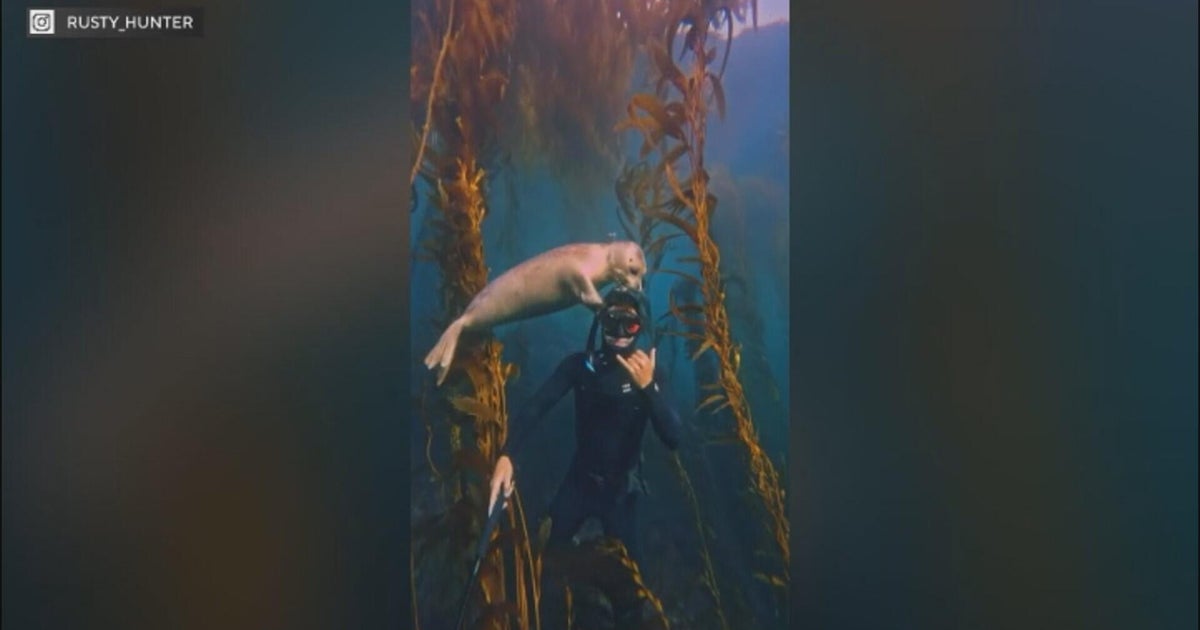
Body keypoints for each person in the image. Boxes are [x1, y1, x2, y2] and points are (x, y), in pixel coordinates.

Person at [487, 285, 682, 573]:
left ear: (641, 328)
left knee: (630, 586)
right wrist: (506, 455)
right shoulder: (579, 366)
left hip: (621, 493)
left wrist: (648, 389)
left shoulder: (652, 376)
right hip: (579, 483)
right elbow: (537, 405)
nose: (619, 332)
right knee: (541, 561)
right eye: (611, 321)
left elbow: (673, 438)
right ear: (599, 321)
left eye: (629, 323)